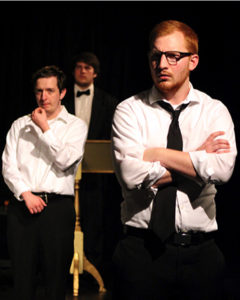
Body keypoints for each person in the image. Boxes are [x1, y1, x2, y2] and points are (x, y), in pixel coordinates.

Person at [111, 20, 237, 300]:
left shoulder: (214, 111)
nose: (162, 64)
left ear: (193, 61)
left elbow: (223, 170)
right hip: (139, 252)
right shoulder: (129, 110)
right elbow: (131, 176)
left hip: (200, 254)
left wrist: (156, 154)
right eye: (155, 56)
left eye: (173, 56)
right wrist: (197, 158)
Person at [2, 65, 88, 300]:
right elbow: (8, 166)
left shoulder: (75, 126)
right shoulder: (19, 125)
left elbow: (65, 161)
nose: (43, 97)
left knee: (55, 280)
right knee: (22, 280)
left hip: (57, 209)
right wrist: (26, 194)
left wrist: (45, 128)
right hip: (23, 206)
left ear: (62, 93)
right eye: (39, 91)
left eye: (50, 91)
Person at [64, 52, 121, 285]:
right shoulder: (62, 101)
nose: (83, 71)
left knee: (95, 222)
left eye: (88, 67)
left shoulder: (108, 102)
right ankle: (68, 269)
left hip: (96, 174)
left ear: (95, 73)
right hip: (66, 171)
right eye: (78, 67)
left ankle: (92, 272)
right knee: (68, 220)